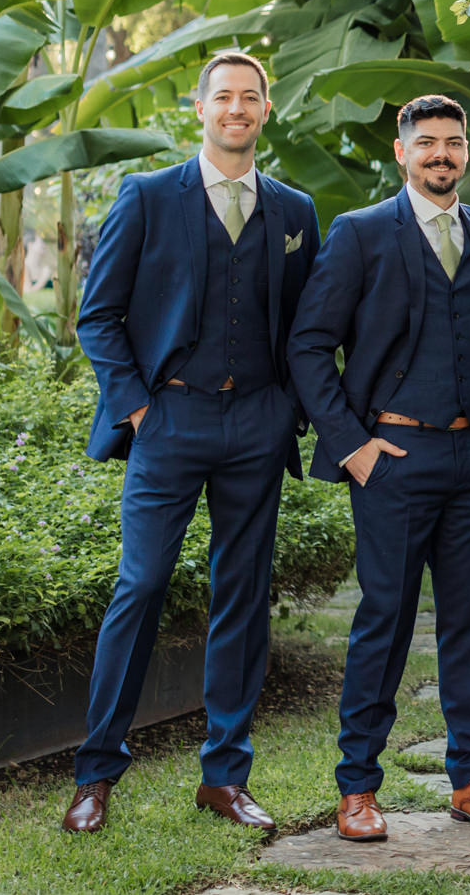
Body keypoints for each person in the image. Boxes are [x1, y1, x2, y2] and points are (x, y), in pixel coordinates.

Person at [65, 51, 319, 835]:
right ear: (199, 109)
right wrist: (139, 410)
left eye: (251, 97)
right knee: (139, 587)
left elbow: (308, 327)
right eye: (223, 97)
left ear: (266, 111)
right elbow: (97, 317)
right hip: (168, 421)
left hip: (258, 425)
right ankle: (96, 773)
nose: (236, 108)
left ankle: (225, 775)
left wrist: (291, 412)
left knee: (242, 598)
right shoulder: (145, 198)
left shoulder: (295, 210)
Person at [288, 95, 470, 842]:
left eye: (453, 143)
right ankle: (357, 786)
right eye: (427, 143)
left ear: (466, 152)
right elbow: (308, 345)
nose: (441, 155)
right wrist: (354, 446)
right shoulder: (361, 234)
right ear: (401, 152)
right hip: (393, 459)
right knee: (384, 623)